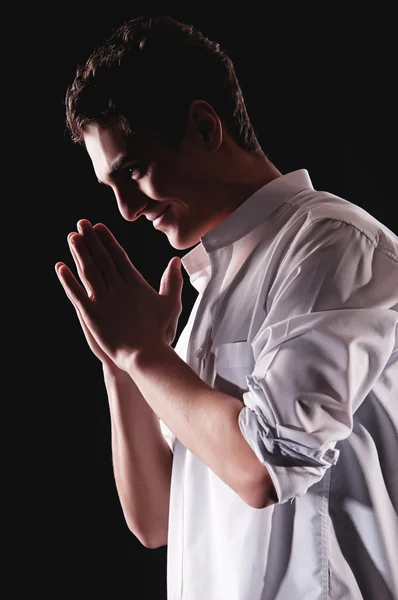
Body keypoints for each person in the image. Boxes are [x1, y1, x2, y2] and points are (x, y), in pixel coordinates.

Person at [55, 15, 398, 600]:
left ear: (204, 126)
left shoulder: (332, 244)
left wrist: (144, 355)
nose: (128, 210)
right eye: (110, 189)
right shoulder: (210, 293)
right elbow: (157, 520)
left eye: (133, 170)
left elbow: (263, 469)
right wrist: (121, 363)